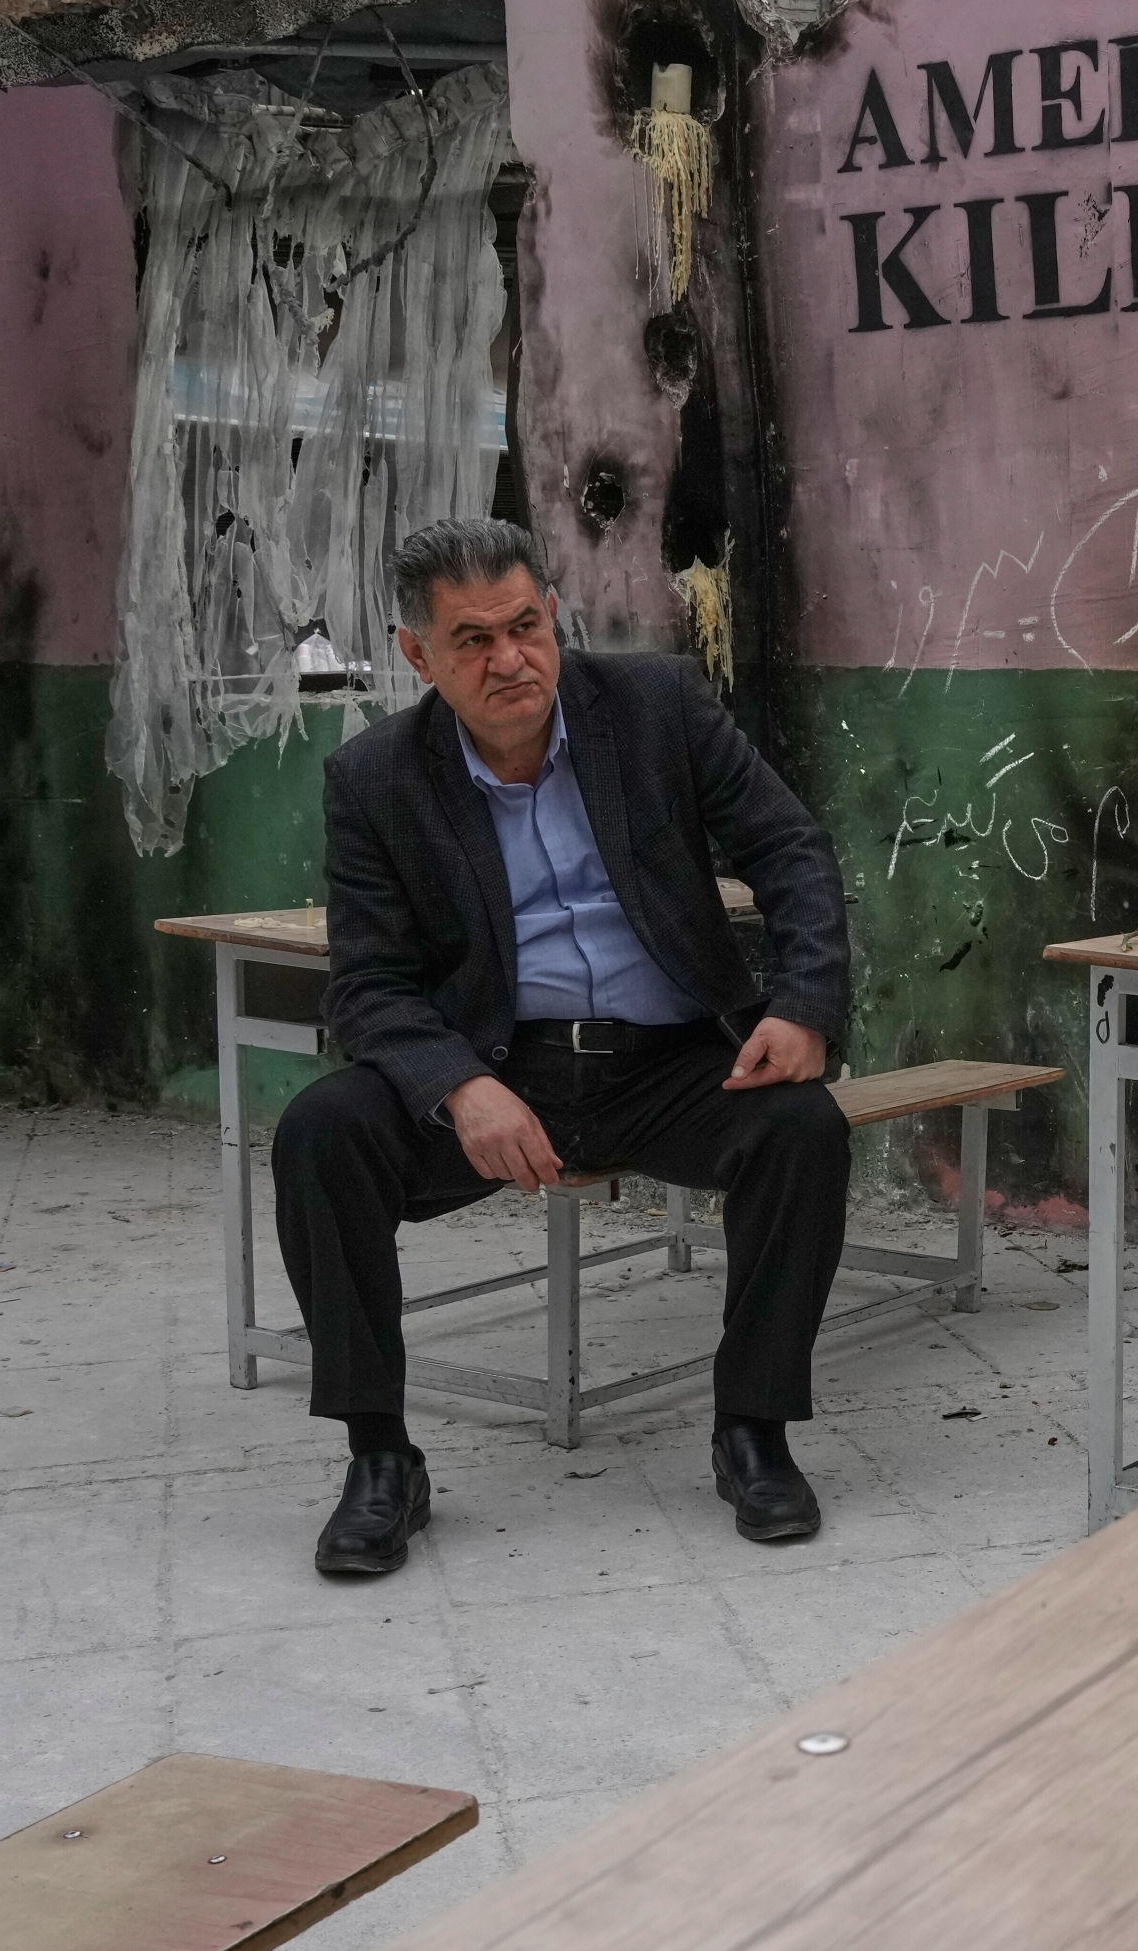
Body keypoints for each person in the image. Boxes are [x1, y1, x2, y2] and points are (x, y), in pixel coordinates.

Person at [272, 518, 853, 1574]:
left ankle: (752, 1431)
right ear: (418, 655)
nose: (509, 660)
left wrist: (804, 1002)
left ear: (554, 613)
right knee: (323, 1132)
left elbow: (788, 847)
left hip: (673, 1059)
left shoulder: (655, 708)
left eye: (527, 626)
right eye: (472, 641)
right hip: (503, 1067)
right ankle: (380, 1459)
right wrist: (459, 1087)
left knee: (800, 1130)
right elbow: (369, 985)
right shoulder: (375, 780)